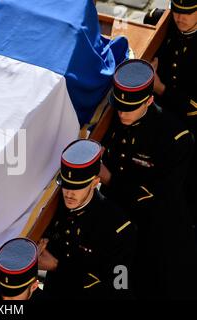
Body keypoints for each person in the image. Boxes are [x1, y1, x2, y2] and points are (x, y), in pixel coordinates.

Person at [100, 59, 197, 298]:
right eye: (119, 106)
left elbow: (155, 197)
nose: (122, 112)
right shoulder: (114, 120)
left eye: (129, 108)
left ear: (149, 99)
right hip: (120, 230)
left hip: (157, 235)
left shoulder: (174, 138)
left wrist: (109, 178)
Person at [38, 139, 136, 299]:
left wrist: (57, 266)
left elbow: (117, 287)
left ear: (95, 182)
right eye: (66, 185)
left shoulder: (119, 227)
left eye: (77, 187)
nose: (69, 193)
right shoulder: (54, 209)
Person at [151, 0, 197, 227]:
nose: (180, 18)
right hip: (158, 117)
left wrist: (161, 89)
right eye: (177, 11)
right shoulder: (164, 22)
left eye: (187, 14)